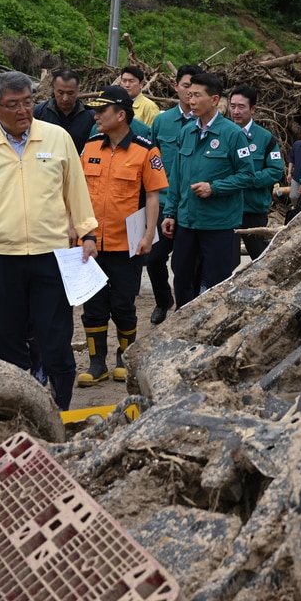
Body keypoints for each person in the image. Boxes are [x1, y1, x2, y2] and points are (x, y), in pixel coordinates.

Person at [0, 71, 98, 411]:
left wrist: (88, 233)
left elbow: (76, 188)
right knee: (8, 336)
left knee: (55, 335)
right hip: (1, 258)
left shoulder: (56, 138)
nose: (22, 110)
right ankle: (17, 409)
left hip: (51, 256)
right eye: (12, 104)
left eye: (28, 102)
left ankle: (61, 408)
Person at [75, 86, 167, 386]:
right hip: (91, 243)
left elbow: (153, 197)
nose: (96, 115)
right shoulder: (89, 147)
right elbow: (76, 194)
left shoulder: (145, 150)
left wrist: (149, 235)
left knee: (124, 304)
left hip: (126, 244)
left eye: (103, 111)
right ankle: (96, 362)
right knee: (93, 307)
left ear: (121, 114)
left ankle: (124, 360)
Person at [161, 72, 255, 308]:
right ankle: (183, 322)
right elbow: (177, 177)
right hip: (186, 221)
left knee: (216, 281)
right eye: (189, 95)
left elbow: (247, 175)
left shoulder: (233, 134)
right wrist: (170, 212)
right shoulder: (187, 132)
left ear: (214, 100)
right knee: (181, 277)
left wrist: (215, 188)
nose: (191, 100)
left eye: (197, 96)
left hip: (217, 224)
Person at [146, 64, 201, 323]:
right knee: (154, 258)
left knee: (184, 264)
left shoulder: (206, 126)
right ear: (176, 86)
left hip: (193, 206)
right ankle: (162, 299)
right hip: (164, 202)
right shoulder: (162, 121)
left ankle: (185, 311)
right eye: (186, 86)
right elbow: (151, 160)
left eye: (195, 88)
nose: (190, 93)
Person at [227, 85, 284, 261]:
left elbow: (276, 170)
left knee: (260, 257)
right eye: (232, 106)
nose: (236, 111)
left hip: (253, 209)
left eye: (241, 107)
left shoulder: (265, 138)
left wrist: (248, 180)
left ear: (253, 109)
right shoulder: (223, 133)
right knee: (228, 260)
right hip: (227, 209)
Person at [34, 68, 95, 147]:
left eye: (70, 93)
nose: (65, 98)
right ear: (54, 90)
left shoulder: (91, 117)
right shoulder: (38, 113)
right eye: (61, 93)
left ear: (78, 90)